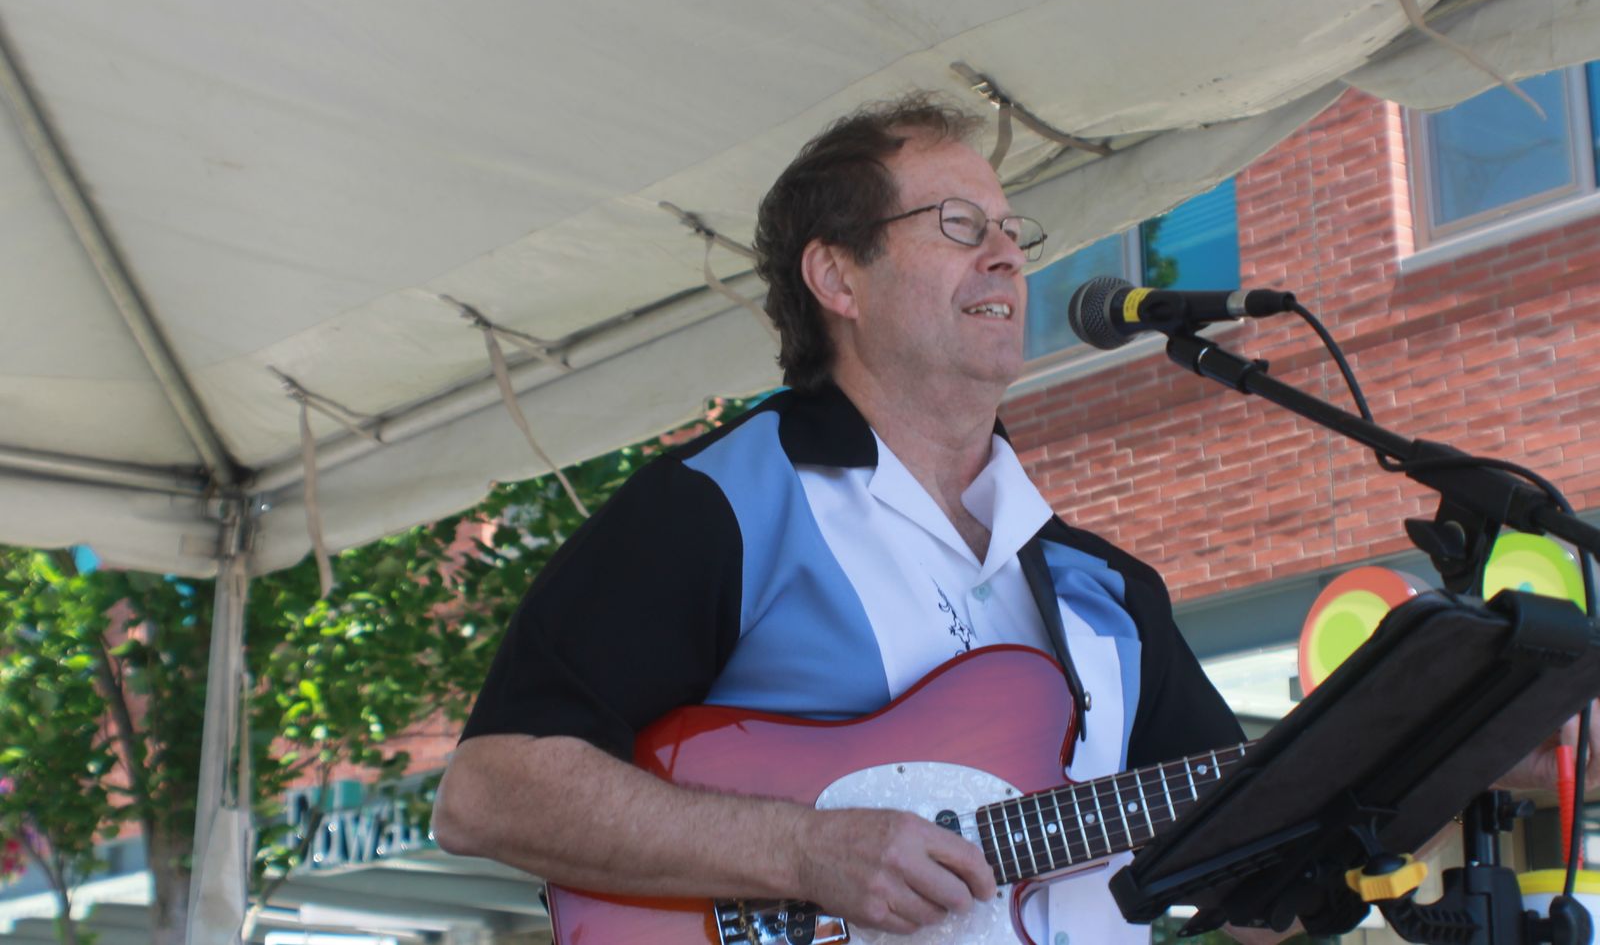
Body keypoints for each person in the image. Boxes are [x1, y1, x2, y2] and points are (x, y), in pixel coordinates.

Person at [431, 94, 1595, 943]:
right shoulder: (726, 503)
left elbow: (1252, 888)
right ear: (837, 277)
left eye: (1010, 229)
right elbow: (486, 792)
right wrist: (800, 849)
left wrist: (1421, 763)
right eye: (957, 223)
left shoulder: (1102, 589)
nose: (1005, 254)